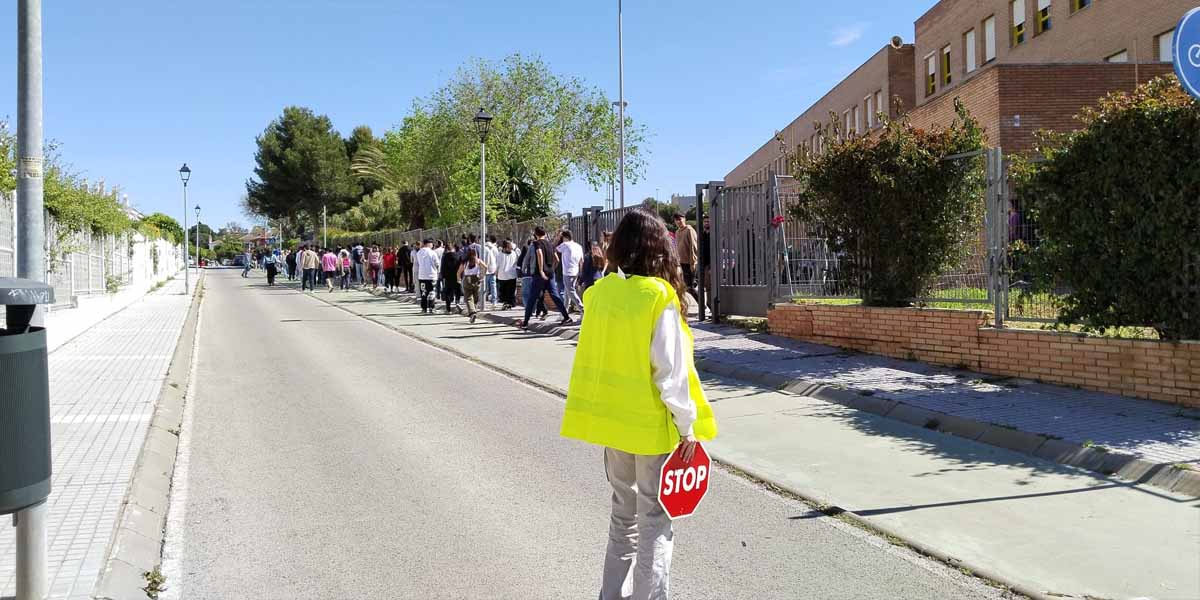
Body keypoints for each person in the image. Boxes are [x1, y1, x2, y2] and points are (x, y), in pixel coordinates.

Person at [560, 208, 718, 600]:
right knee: (654, 522)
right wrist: (688, 428)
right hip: (651, 429)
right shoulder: (657, 296)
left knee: (622, 519)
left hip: (613, 427)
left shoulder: (598, 295)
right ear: (657, 248)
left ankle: (610, 595)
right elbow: (670, 373)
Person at [521, 227, 571, 329]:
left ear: (536, 234)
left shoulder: (536, 243)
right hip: (550, 274)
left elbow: (539, 253)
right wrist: (551, 268)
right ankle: (566, 317)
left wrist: (541, 270)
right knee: (555, 296)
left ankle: (525, 322)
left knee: (532, 298)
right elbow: (556, 258)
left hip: (539, 275)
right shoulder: (550, 244)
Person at [457, 248, 490, 323]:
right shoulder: (478, 260)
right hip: (476, 279)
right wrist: (482, 275)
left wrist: (458, 279)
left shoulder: (465, 262)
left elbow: (459, 272)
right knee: (475, 296)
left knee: (468, 298)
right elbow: (485, 267)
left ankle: (472, 312)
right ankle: (474, 309)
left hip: (467, 279)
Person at [556, 230, 585, 314]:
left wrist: (558, 238)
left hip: (567, 272)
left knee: (571, 291)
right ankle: (564, 313)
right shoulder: (578, 246)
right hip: (575, 271)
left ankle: (582, 309)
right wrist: (580, 272)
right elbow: (581, 261)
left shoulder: (565, 245)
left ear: (564, 237)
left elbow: (555, 249)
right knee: (567, 292)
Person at [674, 213, 699, 298]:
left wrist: (693, 262)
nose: (679, 221)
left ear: (684, 219)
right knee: (682, 286)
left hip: (689, 263)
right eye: (676, 220)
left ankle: (702, 306)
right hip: (681, 263)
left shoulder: (689, 230)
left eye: (680, 219)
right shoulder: (677, 232)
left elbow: (694, 247)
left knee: (689, 287)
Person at [416, 239, 440, 313]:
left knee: (423, 292)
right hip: (431, 275)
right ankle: (431, 307)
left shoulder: (419, 252)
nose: (432, 245)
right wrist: (438, 271)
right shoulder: (432, 252)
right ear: (429, 244)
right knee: (432, 292)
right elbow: (437, 263)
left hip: (422, 275)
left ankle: (424, 308)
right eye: (432, 244)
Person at [495, 239, 520, 309]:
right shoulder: (499, 255)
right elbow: (497, 265)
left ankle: (509, 304)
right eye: (509, 248)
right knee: (504, 293)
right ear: (504, 248)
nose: (510, 249)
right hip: (502, 277)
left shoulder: (514, 254)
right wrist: (496, 273)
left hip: (512, 276)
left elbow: (516, 263)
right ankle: (506, 304)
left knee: (511, 293)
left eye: (511, 248)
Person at [441, 243, 462, 313]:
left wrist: (443, 276)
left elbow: (443, 267)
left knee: (448, 292)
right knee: (457, 290)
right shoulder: (458, 256)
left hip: (448, 277)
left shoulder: (445, 257)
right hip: (457, 276)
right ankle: (457, 303)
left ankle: (448, 308)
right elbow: (461, 266)